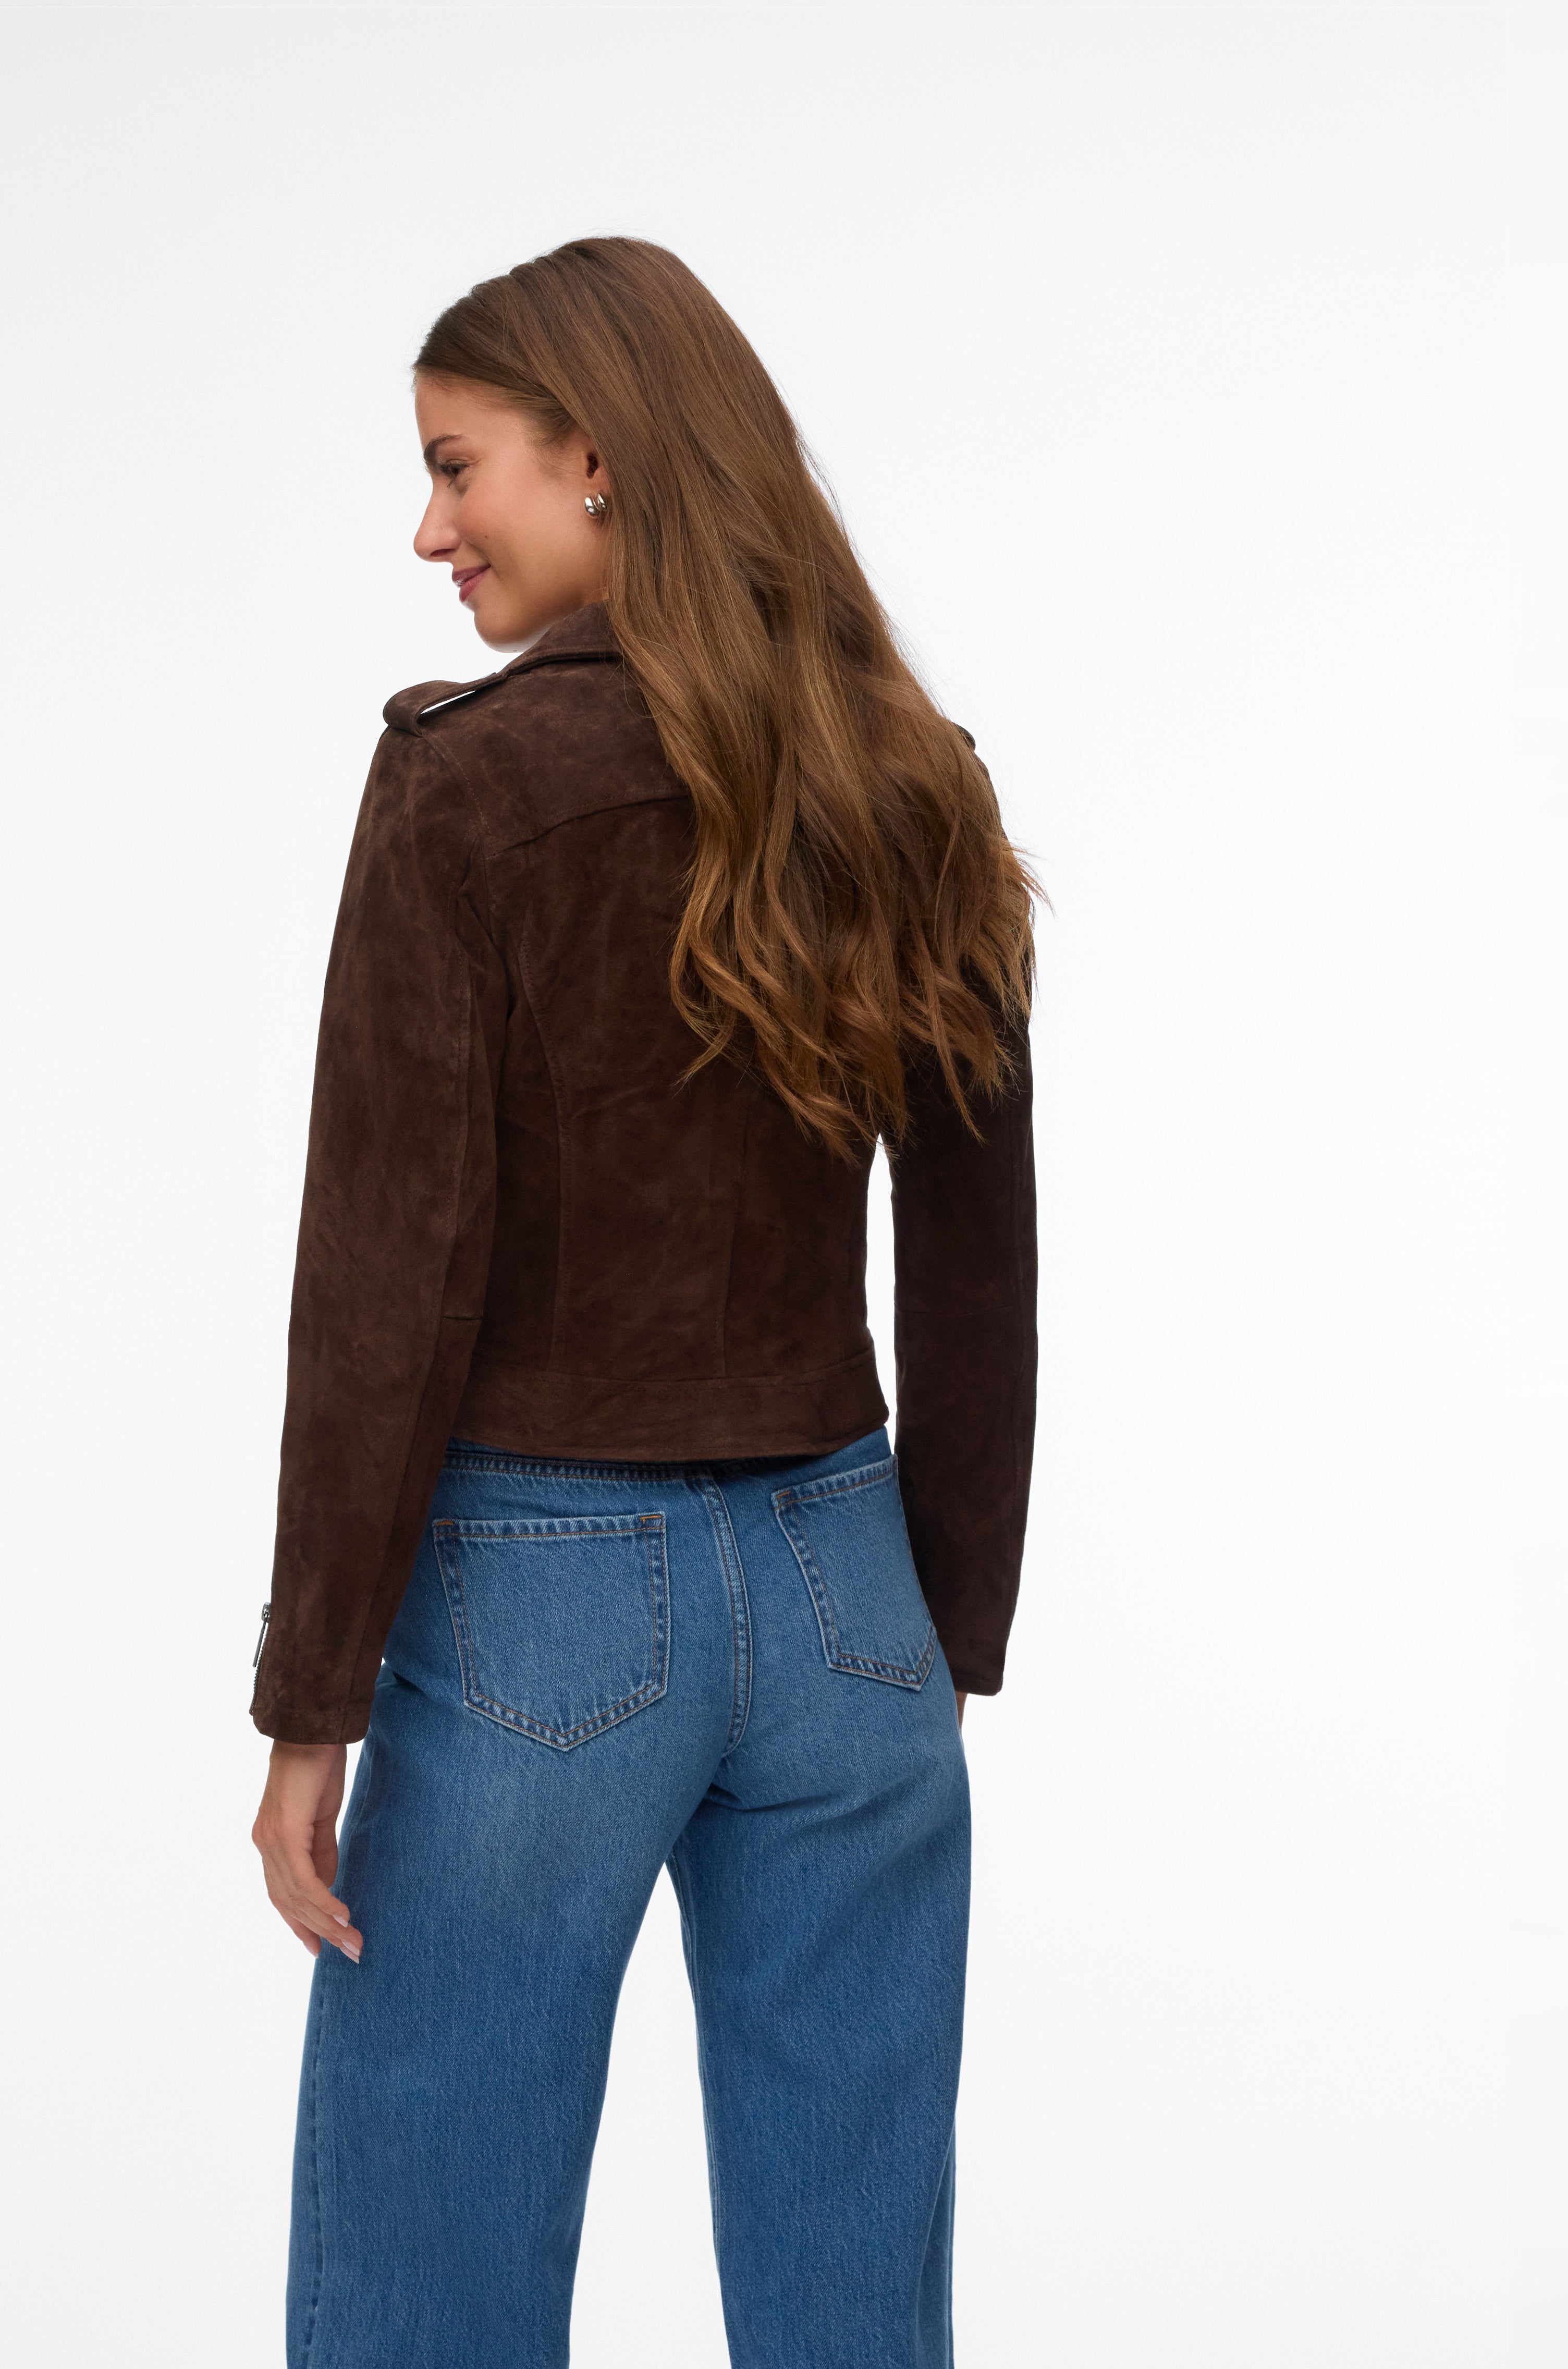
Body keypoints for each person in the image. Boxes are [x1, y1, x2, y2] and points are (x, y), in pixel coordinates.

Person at [249, 236, 1039, 2369]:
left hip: (542, 1600)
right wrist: (941, 1635)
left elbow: (386, 1270)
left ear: (594, 457)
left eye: (458, 468)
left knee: (428, 2280)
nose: (430, 529)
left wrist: (312, 1696)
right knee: (856, 2301)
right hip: (852, 1592)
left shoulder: (466, 783)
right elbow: (980, 1251)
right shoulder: (908, 772)